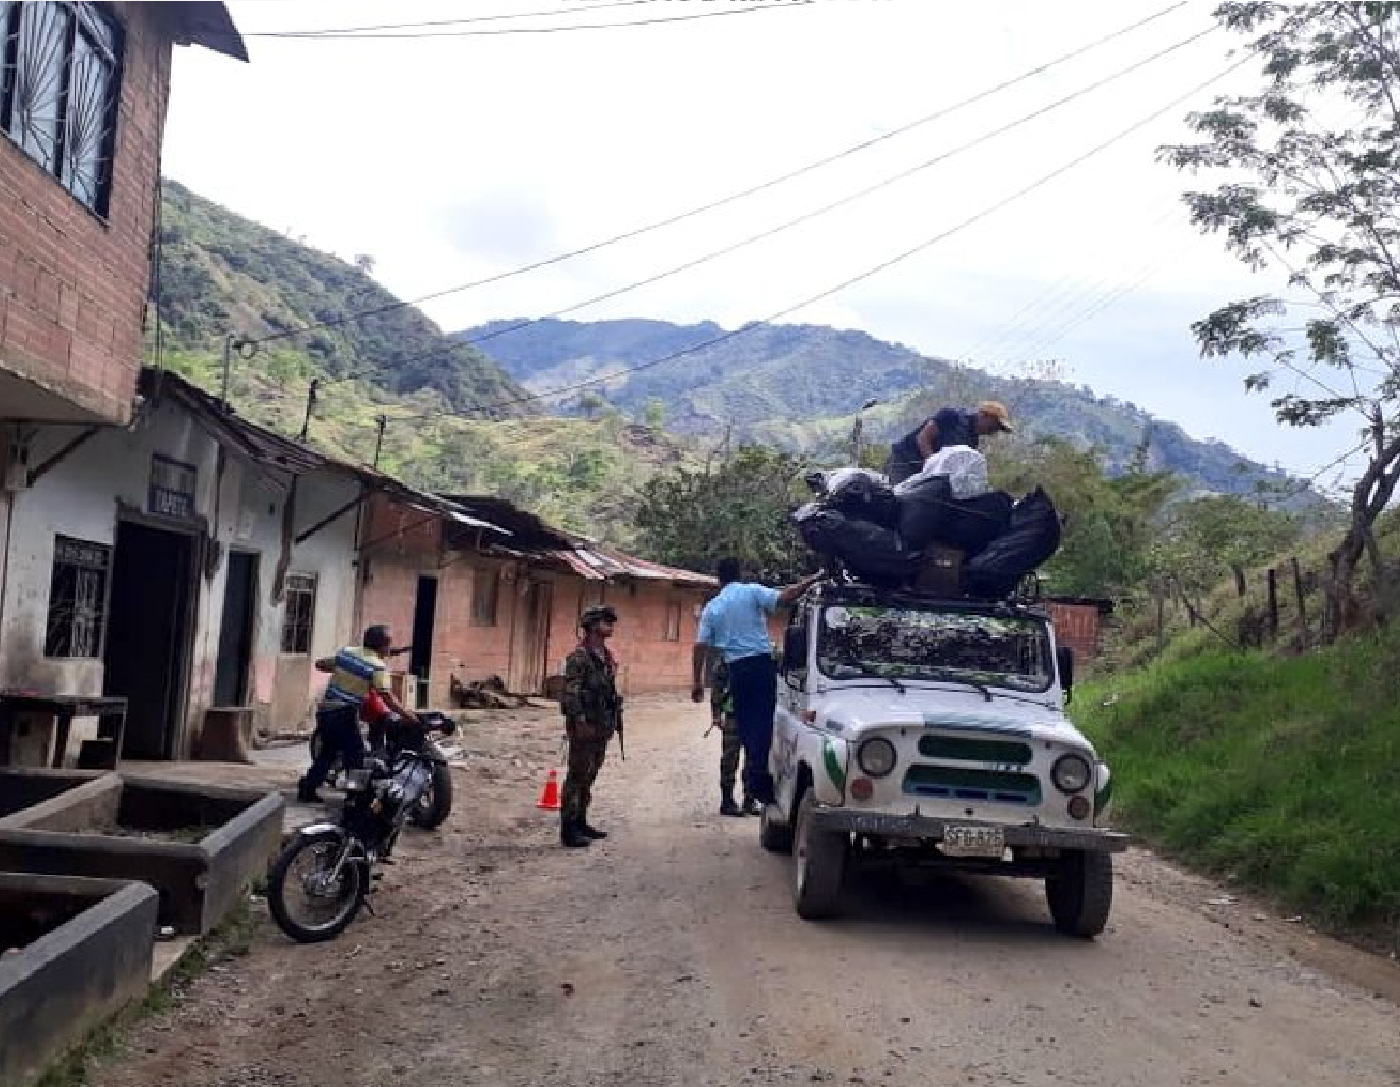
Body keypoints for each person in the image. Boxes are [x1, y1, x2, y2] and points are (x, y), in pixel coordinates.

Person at [692, 560, 819, 808]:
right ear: (739, 575)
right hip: (760, 666)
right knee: (762, 724)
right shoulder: (750, 591)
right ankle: (757, 782)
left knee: (748, 725)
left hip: (737, 670)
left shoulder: (713, 608)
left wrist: (696, 682)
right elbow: (785, 597)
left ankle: (753, 784)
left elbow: (699, 646)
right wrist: (813, 579)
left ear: (719, 579)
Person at [298, 624, 417, 803]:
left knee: (328, 752)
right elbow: (387, 698)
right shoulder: (378, 667)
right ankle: (355, 799)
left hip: (325, 711)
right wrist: (408, 715)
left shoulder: (346, 653)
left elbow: (320, 664)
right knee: (355, 757)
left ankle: (307, 789)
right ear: (383, 646)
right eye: (389, 645)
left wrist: (347, 671)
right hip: (344, 713)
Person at [559, 604, 623, 849]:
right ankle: (568, 828)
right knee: (576, 776)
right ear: (593, 626)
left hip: (601, 724)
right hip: (585, 725)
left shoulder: (605, 656)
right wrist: (579, 721)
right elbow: (571, 693)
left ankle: (582, 821)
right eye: (606, 622)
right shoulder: (579, 658)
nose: (610, 626)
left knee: (590, 776)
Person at [884, 400, 1014, 485]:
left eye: (998, 428)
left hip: (926, 472)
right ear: (983, 415)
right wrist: (935, 467)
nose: (995, 430)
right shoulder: (951, 416)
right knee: (898, 498)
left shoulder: (972, 442)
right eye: (995, 425)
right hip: (905, 461)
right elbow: (923, 438)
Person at [709, 653, 758, 817]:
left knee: (753, 760)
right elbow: (717, 688)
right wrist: (716, 715)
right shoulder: (726, 658)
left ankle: (749, 801)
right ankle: (727, 801)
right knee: (730, 759)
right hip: (733, 715)